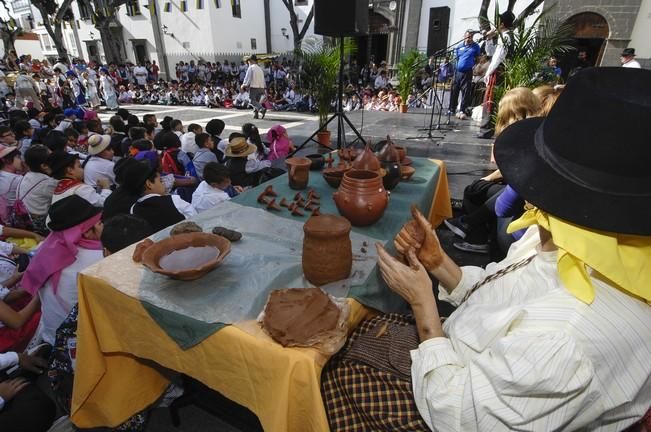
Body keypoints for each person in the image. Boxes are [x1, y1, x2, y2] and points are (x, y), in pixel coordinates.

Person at [322, 67, 651, 431]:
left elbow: (459, 413)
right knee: (356, 334)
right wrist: (440, 264)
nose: (527, 194)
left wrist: (423, 306)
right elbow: (500, 296)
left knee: (336, 375)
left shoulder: (570, 338)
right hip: (469, 355)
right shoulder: (567, 238)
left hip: (459, 406)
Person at [22, 195, 104, 345]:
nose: (103, 226)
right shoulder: (99, 258)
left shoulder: (44, 249)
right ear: (85, 231)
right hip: (79, 343)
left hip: (50, 333)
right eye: (99, 223)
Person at [123, 160, 196, 235]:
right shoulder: (173, 200)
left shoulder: (133, 209)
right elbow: (196, 218)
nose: (163, 184)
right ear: (149, 184)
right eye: (160, 181)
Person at [478, 11, 515, 139]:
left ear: (502, 23)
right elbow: (491, 53)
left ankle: (486, 129)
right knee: (490, 99)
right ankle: (487, 128)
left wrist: (488, 72)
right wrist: (488, 38)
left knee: (489, 99)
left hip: (497, 70)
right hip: (499, 69)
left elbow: (498, 58)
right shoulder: (505, 36)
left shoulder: (505, 37)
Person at [18, 145, 58, 235]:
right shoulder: (47, 183)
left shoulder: (26, 176)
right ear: (44, 166)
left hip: (24, 220)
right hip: (40, 224)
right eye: (53, 159)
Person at [449, 30, 481, 119]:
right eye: (467, 37)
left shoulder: (475, 47)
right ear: (464, 37)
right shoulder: (459, 46)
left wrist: (473, 66)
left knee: (465, 92)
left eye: (470, 37)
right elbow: (456, 59)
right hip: (457, 72)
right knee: (454, 90)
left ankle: (462, 110)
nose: (468, 39)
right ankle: (452, 109)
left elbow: (478, 59)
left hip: (467, 72)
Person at [242, 55, 267, 119]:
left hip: (254, 87)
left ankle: (262, 109)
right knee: (256, 102)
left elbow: (248, 78)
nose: (248, 62)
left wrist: (244, 85)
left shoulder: (251, 67)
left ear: (251, 60)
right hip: (261, 87)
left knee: (252, 101)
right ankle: (255, 114)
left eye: (249, 61)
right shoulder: (260, 68)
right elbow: (263, 79)